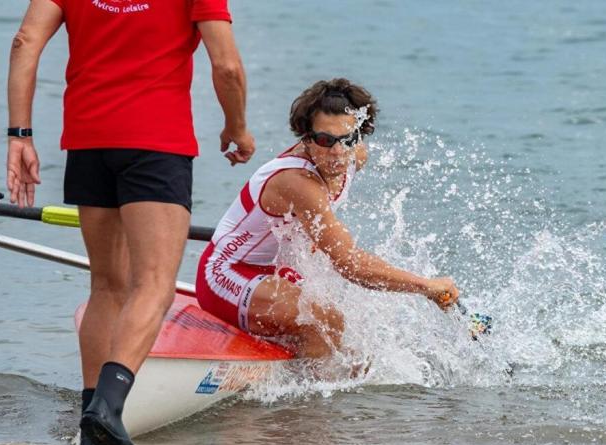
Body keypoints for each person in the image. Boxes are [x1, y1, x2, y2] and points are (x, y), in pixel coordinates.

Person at [6, 0, 255, 445]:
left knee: (106, 285)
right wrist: (237, 128)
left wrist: (19, 135)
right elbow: (229, 67)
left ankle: (91, 425)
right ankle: (109, 406)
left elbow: (24, 42)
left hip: (87, 140)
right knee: (154, 284)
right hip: (157, 145)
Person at [196, 78, 459, 361]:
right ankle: (306, 402)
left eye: (347, 139)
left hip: (273, 270)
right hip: (225, 274)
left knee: (356, 337)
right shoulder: (297, 182)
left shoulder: (355, 155)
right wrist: (426, 286)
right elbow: (350, 264)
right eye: (325, 140)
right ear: (306, 138)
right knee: (325, 321)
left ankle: (311, 377)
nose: (336, 152)